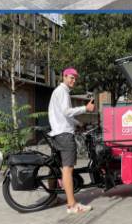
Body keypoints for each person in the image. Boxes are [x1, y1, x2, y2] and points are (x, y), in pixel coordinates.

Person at [48, 67, 95, 215]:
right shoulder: (62, 91)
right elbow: (66, 111)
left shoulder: (59, 91)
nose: (74, 80)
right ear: (64, 76)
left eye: (75, 78)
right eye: (71, 77)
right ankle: (72, 205)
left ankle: (52, 198)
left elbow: (64, 115)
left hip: (58, 133)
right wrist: (85, 108)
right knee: (68, 170)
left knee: (56, 167)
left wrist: (78, 123)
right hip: (64, 135)